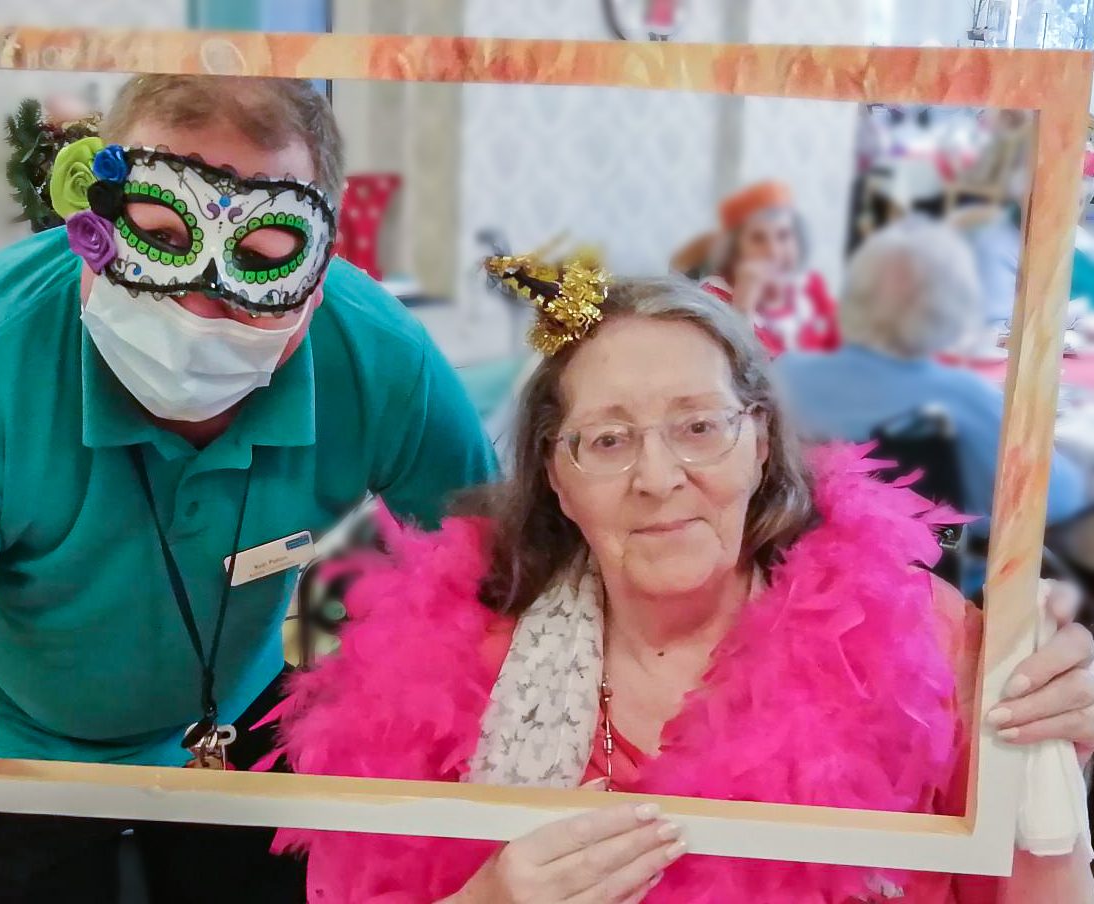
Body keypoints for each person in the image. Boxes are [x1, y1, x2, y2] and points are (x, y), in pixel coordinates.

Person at [269, 254, 1094, 902]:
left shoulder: (927, 647)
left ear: (762, 442)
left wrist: (1065, 718)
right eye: (608, 440)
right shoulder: (448, 666)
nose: (658, 477)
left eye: (699, 426)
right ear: (555, 478)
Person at [0, 75, 496, 903]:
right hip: (18, 739)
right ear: (91, 227)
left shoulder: (379, 360)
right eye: (158, 235)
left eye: (262, 260)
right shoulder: (2, 356)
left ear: (320, 275)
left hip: (245, 716)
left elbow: (494, 569)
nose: (199, 308)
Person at [773, 218, 1084, 539]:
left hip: (794, 557)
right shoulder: (961, 396)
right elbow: (1055, 499)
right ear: (953, 309)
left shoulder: (787, 373)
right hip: (931, 576)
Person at [671, 180, 839, 356]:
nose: (774, 251)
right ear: (734, 249)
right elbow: (739, 374)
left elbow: (844, 348)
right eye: (758, 239)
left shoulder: (811, 285)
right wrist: (744, 308)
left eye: (783, 236)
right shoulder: (713, 298)